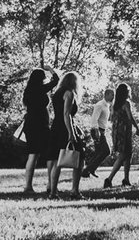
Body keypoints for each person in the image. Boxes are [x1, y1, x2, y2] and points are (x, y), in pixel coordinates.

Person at [20, 67, 58, 193]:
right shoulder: (40, 89)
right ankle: (50, 184)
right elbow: (56, 80)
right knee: (49, 154)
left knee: (33, 154)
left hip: (30, 124)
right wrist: (51, 70)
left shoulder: (29, 90)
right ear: (41, 78)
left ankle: (28, 186)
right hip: (40, 124)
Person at [48, 71, 84, 199]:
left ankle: (53, 192)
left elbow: (60, 114)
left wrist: (75, 128)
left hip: (56, 128)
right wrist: (71, 132)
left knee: (57, 161)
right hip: (64, 128)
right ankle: (75, 191)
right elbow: (66, 114)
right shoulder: (69, 93)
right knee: (80, 159)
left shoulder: (57, 94)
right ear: (74, 82)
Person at [104, 83, 139, 187]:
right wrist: (137, 129)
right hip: (124, 131)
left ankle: (126, 179)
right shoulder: (126, 103)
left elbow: (112, 119)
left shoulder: (115, 104)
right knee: (123, 155)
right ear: (126, 92)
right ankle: (109, 179)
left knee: (128, 155)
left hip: (117, 131)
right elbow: (130, 117)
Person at [83, 88, 114, 178]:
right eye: (112, 95)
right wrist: (96, 132)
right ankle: (88, 170)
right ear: (107, 94)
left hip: (102, 130)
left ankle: (88, 171)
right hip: (97, 131)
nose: (113, 97)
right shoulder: (100, 105)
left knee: (98, 152)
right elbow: (94, 119)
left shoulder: (107, 105)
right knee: (106, 151)